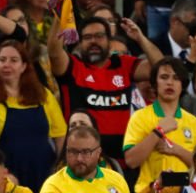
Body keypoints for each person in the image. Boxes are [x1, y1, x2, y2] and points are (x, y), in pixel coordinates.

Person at [49, 15, 163, 163]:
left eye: (99, 36)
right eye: (87, 37)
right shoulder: (73, 67)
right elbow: (53, 52)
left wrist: (140, 38)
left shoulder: (123, 65)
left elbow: (161, 68)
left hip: (123, 163)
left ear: (110, 41)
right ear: (80, 43)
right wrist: (61, 15)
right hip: (82, 160)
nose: (93, 41)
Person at [123, 56, 196, 193]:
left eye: (176, 78)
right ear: (154, 84)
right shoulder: (140, 118)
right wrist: (158, 132)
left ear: (183, 84)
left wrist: (175, 150)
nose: (170, 82)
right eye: (164, 77)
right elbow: (131, 160)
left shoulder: (192, 122)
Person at [0, 40, 65, 193]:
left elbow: (60, 138)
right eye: (2, 60)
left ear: (24, 66)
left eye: (13, 60)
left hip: (45, 178)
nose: (7, 65)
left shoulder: (44, 96)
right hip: (5, 183)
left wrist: (61, 175)